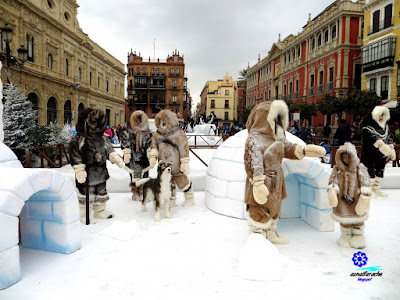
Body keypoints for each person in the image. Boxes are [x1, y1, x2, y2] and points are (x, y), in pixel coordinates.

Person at [244, 100, 326, 243]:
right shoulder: (254, 139)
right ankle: (258, 238)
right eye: (273, 117)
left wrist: (304, 150)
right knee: (259, 209)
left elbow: (288, 148)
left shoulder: (279, 137)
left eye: (278, 117)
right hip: (262, 181)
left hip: (277, 180)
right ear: (265, 117)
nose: (276, 121)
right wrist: (257, 182)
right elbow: (253, 161)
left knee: (274, 207)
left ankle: (271, 233)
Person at [328, 142, 371, 249]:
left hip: (357, 199)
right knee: (344, 218)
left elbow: (365, 181)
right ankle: (346, 235)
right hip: (342, 199)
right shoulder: (337, 169)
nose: (346, 159)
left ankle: (358, 236)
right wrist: (333, 189)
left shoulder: (359, 168)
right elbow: (333, 181)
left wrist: (364, 194)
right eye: (344, 157)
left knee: (358, 217)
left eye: (349, 157)